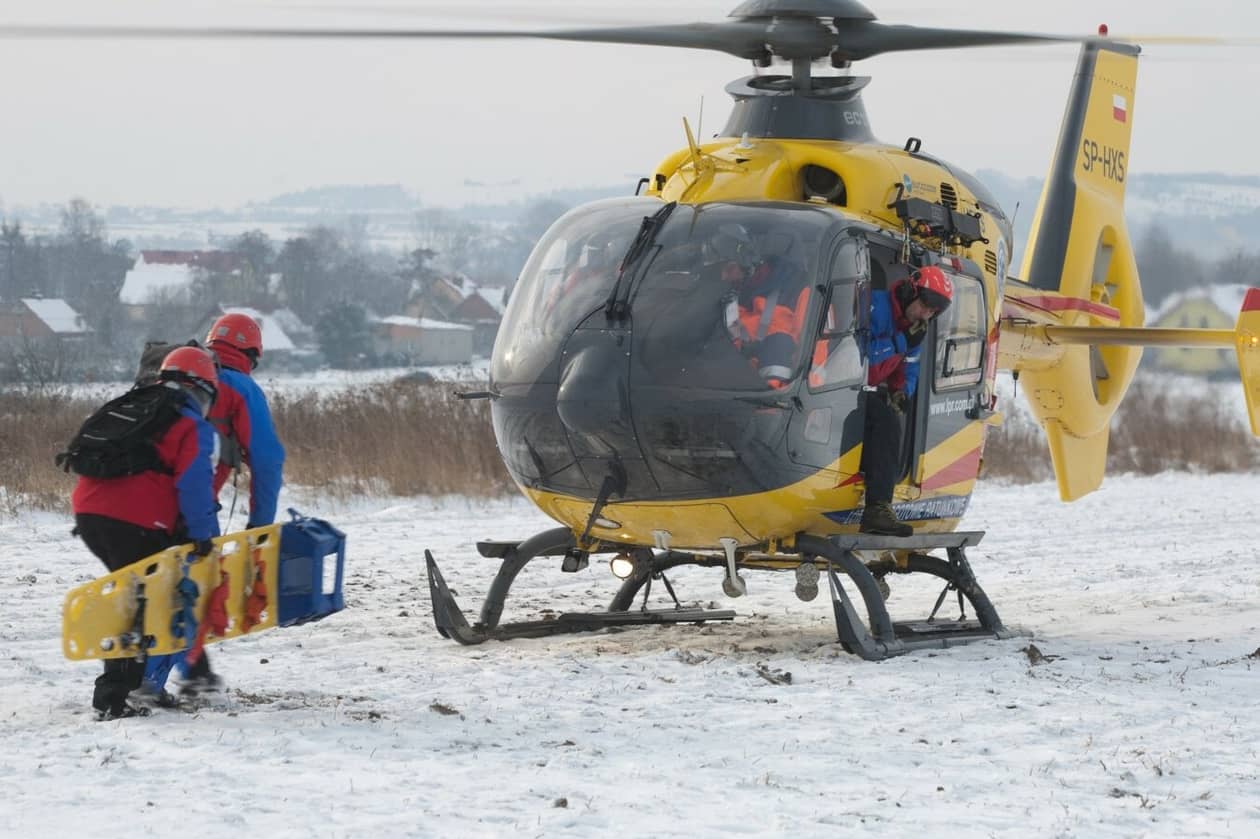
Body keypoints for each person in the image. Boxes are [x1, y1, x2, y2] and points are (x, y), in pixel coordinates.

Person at [71, 346, 221, 719]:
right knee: (140, 605)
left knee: (144, 597)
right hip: (136, 523)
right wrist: (204, 537)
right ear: (200, 389)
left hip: (90, 513)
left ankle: (144, 684)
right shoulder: (189, 424)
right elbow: (194, 485)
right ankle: (116, 697)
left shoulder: (136, 407)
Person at [182, 312, 286, 695]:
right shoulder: (240, 386)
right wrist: (258, 529)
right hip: (190, 506)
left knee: (160, 587)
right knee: (193, 588)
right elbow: (267, 460)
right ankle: (169, 679)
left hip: (133, 499)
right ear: (252, 353)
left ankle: (191, 675)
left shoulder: (181, 375)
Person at [859, 265, 953, 536]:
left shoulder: (913, 329)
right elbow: (858, 358)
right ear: (909, 292)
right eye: (925, 305)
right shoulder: (873, 306)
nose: (926, 314)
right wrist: (901, 341)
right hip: (844, 387)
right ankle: (877, 509)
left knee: (890, 417)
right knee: (884, 420)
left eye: (933, 311)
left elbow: (909, 366)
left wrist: (903, 393)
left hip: (869, 390)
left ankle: (878, 502)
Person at [708, 224, 810, 389]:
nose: (723, 276)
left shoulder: (797, 291)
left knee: (779, 343)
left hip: (774, 398)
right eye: (719, 270)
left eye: (729, 268)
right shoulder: (726, 292)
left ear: (748, 262)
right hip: (723, 389)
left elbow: (816, 357)